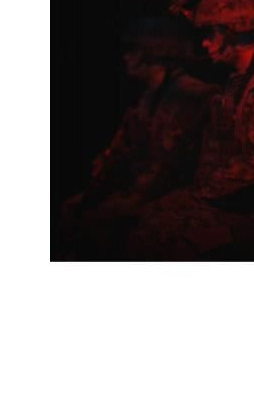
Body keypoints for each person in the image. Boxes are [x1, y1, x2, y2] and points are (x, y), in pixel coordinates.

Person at [126, 0, 254, 260]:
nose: (204, 43)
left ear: (234, 33)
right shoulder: (240, 82)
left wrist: (200, 191)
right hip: (236, 203)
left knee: (157, 233)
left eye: (211, 34)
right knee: (149, 218)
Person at [61, 16, 219, 259]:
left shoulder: (189, 96)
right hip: (147, 190)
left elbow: (170, 165)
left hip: (172, 195)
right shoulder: (150, 96)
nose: (126, 58)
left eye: (132, 50)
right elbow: (129, 150)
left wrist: (130, 200)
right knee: (75, 210)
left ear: (153, 51)